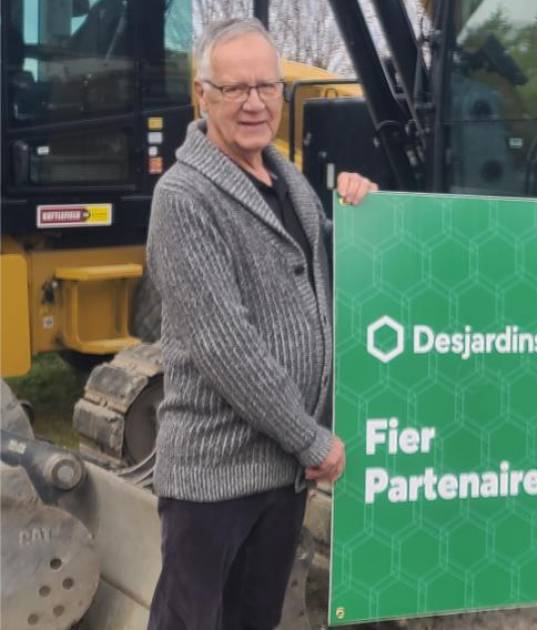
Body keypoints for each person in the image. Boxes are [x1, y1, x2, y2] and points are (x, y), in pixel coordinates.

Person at [145, 18, 377, 630]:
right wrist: (310, 439)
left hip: (281, 475)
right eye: (235, 89)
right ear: (203, 96)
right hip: (216, 477)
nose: (254, 103)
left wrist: (360, 215)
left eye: (266, 87)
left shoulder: (287, 178)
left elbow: (320, 266)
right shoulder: (185, 196)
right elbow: (227, 346)